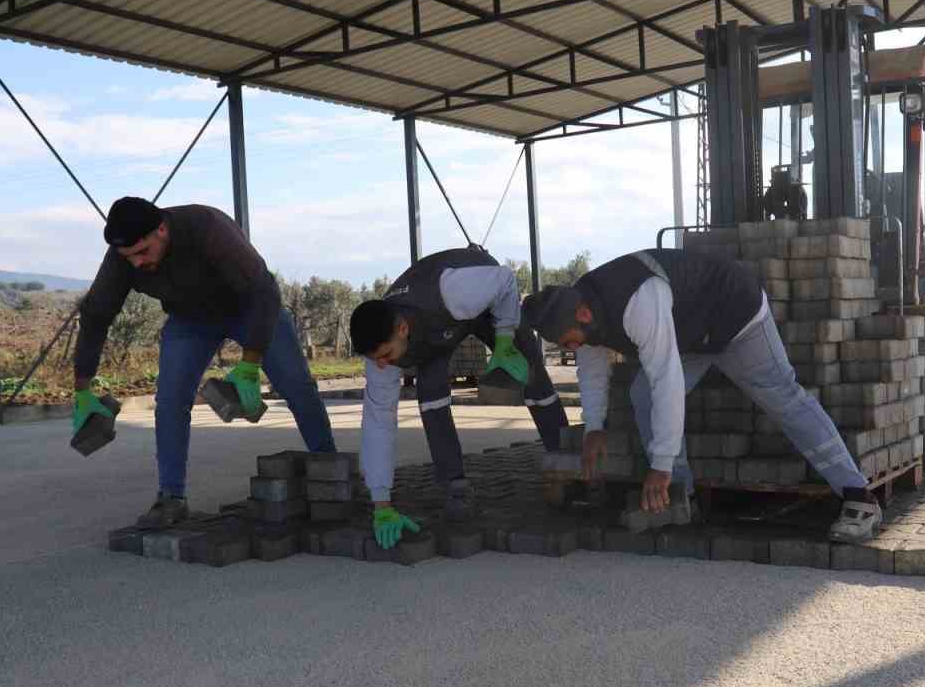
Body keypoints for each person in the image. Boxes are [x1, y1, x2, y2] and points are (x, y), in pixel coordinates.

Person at [521, 248, 881, 540]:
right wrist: (594, 426)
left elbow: (667, 379)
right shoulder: (581, 309)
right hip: (692, 334)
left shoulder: (637, 301)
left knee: (784, 398)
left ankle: (857, 496)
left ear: (583, 315)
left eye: (568, 340)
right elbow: (592, 368)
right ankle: (679, 494)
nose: (569, 348)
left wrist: (659, 463)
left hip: (737, 318)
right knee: (642, 395)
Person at [71, 197, 336, 527]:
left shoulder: (208, 228)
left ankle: (333, 472)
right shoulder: (123, 258)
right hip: (190, 320)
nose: (137, 263)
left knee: (296, 384)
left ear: (162, 229)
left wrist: (250, 364)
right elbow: (96, 313)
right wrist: (83, 388)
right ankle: (171, 498)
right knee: (169, 402)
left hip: (249, 308)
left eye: (142, 252)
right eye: (129, 257)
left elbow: (263, 292)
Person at [349, 245, 567, 549]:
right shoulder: (380, 355)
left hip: (487, 300)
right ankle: (455, 485)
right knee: (431, 397)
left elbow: (504, 279)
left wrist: (504, 339)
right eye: (376, 359)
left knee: (531, 374)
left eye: (386, 355)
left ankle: (567, 463)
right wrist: (381, 505)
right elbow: (378, 424)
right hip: (437, 328)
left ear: (401, 329)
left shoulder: (456, 290)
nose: (382, 365)